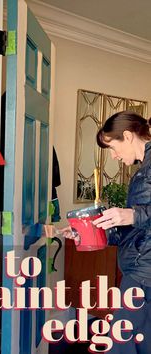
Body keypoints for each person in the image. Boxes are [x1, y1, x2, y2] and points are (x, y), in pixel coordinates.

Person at [64, 110, 151, 353]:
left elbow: (138, 218)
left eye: (113, 147)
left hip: (143, 274)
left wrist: (133, 214)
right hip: (139, 270)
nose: (113, 156)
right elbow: (135, 230)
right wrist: (93, 231)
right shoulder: (143, 170)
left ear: (128, 136)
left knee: (120, 343)